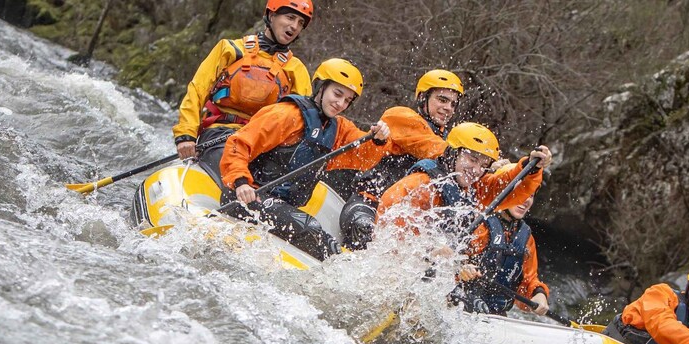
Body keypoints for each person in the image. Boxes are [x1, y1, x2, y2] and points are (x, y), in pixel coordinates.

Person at [218, 58, 390, 260]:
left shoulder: (338, 129)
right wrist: (240, 182)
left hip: (280, 204)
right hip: (248, 197)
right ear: (320, 86)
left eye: (347, 100)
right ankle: (340, 267)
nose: (340, 103)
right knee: (311, 228)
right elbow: (239, 144)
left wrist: (378, 140)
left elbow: (362, 156)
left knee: (312, 229)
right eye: (337, 94)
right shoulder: (286, 115)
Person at [172, 0, 314, 183]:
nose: (294, 26)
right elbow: (197, 90)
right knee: (239, 179)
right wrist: (186, 135)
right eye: (290, 17)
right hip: (219, 135)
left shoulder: (296, 69)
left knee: (269, 182)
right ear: (272, 16)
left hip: (262, 145)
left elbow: (303, 121)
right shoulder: (231, 50)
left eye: (301, 23)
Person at [339, 69, 465, 249]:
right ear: (423, 97)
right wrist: (465, 155)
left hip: (400, 219)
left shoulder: (447, 144)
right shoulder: (402, 117)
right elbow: (428, 146)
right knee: (366, 231)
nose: (448, 108)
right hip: (368, 204)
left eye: (453, 104)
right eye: (442, 100)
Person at [376, 122, 551, 240]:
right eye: (472, 160)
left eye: (483, 165)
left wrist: (531, 168)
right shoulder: (419, 187)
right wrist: (432, 252)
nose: (476, 170)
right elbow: (390, 238)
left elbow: (510, 187)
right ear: (452, 154)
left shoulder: (474, 190)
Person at [454, 193, 550, 316]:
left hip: (496, 314)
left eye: (530, 195)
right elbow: (450, 263)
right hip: (460, 308)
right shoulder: (479, 226)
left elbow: (528, 281)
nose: (526, 200)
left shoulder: (526, 238)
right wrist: (462, 269)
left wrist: (539, 294)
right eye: (522, 192)